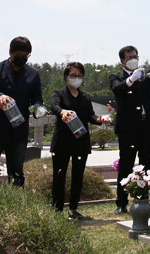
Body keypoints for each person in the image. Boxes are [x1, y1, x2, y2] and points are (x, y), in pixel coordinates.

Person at [109, 46, 150, 215]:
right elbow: (117, 88)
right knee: (126, 164)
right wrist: (130, 80)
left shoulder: (144, 74)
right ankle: (121, 203)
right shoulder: (116, 76)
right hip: (128, 127)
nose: (133, 59)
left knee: (145, 164)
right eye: (129, 57)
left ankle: (142, 199)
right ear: (122, 60)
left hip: (146, 124)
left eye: (135, 56)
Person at [0, 36, 44, 187]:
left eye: (25, 56)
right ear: (10, 52)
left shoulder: (33, 74)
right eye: (18, 55)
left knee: (16, 174)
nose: (21, 58)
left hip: (18, 130)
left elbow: (36, 98)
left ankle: (17, 203)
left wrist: (38, 109)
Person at [51, 62, 109, 219]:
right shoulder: (59, 93)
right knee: (59, 176)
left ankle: (73, 209)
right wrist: (62, 112)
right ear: (66, 77)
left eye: (79, 76)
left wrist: (100, 119)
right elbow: (54, 107)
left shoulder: (85, 97)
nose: (76, 79)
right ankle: (56, 210)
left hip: (80, 141)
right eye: (73, 76)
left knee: (78, 176)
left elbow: (90, 116)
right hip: (62, 141)